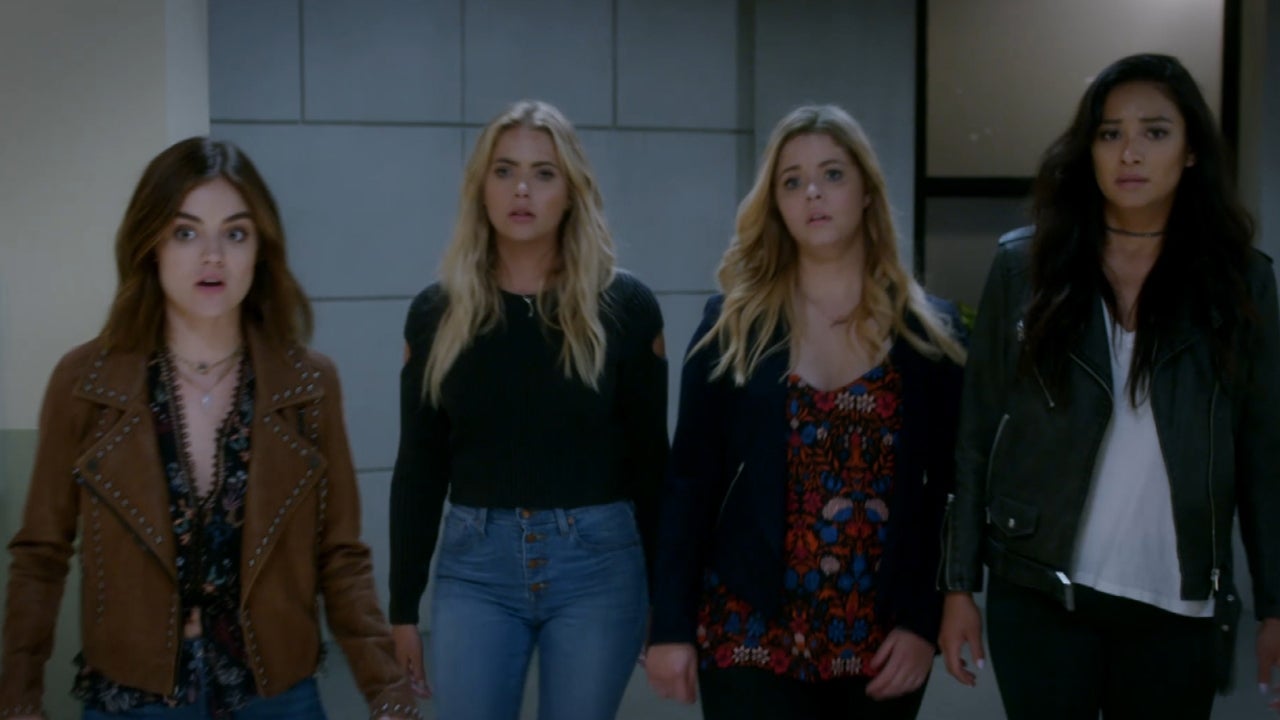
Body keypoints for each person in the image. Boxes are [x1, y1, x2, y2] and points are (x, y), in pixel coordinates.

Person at [0, 138, 418, 719]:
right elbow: (41, 554)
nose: (213, 256)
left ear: (261, 250)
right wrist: (17, 695)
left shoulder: (308, 384)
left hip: (275, 696)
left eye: (236, 233)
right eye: (186, 232)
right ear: (150, 244)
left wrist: (388, 691)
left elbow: (340, 555)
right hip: (134, 698)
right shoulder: (86, 381)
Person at [938, 53, 1280, 719]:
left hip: (1176, 605)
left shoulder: (1241, 282)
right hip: (1039, 590)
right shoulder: (1025, 267)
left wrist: (1276, 606)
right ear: (1087, 149)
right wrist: (958, 587)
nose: (1130, 152)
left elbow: (1264, 456)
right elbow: (975, 438)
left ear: (1190, 152)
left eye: (1155, 132)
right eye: (1109, 133)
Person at [644, 104, 966, 719]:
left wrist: (925, 617)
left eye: (832, 174)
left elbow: (951, 492)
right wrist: (671, 625)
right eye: (792, 181)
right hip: (748, 619)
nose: (812, 192)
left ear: (867, 192)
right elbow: (688, 484)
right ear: (776, 204)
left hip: (880, 632)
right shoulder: (732, 325)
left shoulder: (930, 334)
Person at [386, 99, 668, 720]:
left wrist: (666, 599)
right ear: (481, 188)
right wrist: (402, 608)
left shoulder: (625, 307)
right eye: (504, 170)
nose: (522, 189)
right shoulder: (437, 313)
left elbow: (652, 462)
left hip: (599, 567)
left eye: (543, 173)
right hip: (476, 568)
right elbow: (419, 468)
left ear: (571, 192)